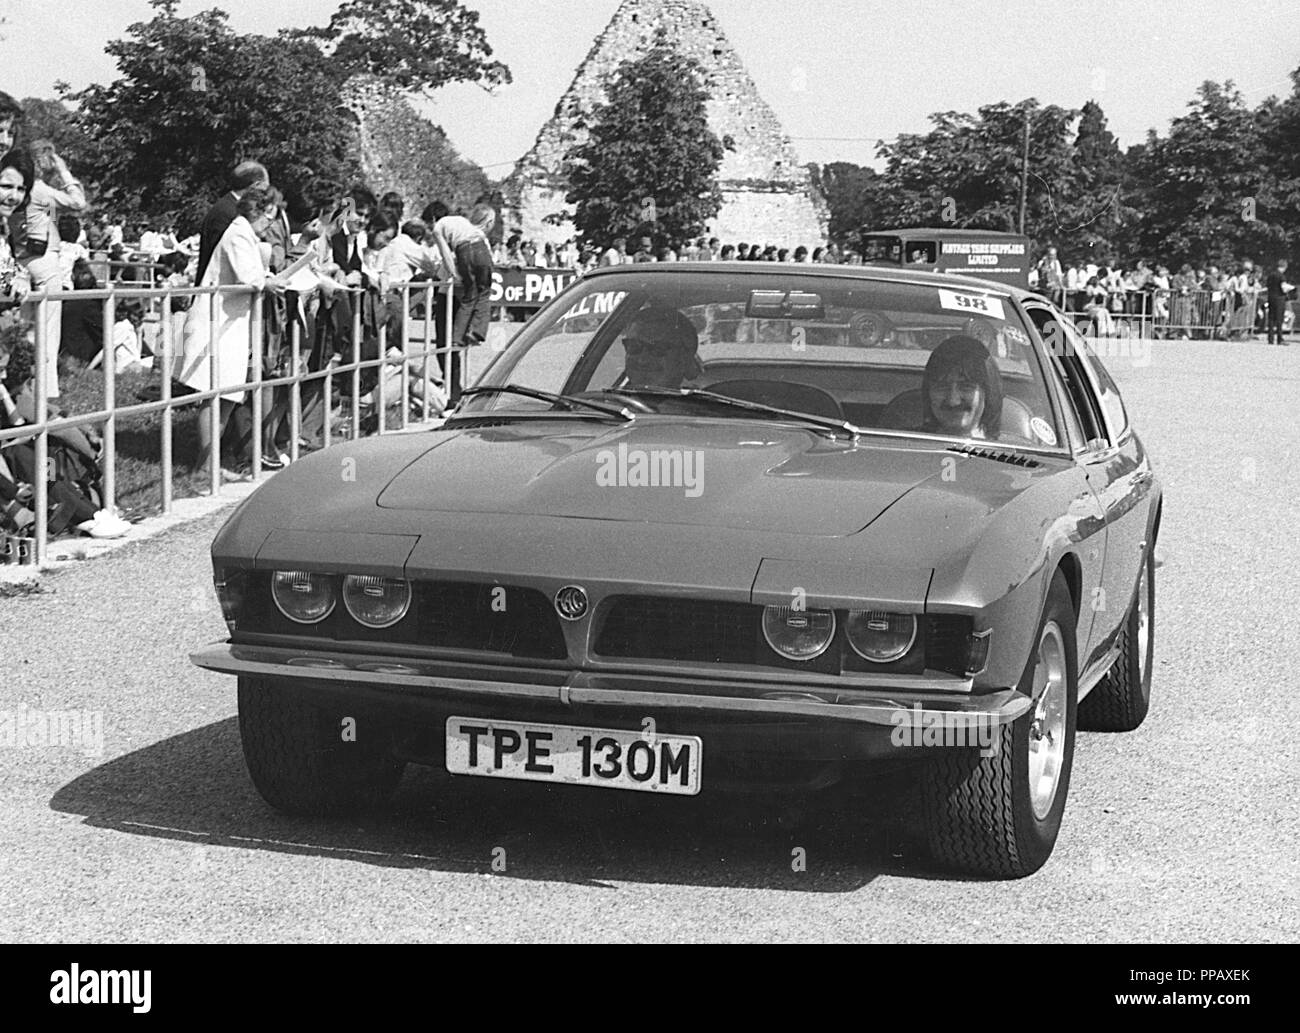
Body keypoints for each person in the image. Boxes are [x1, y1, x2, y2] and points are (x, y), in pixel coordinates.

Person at [175, 187, 286, 481]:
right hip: (218, 325)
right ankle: (204, 468)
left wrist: (267, 278)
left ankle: (209, 465)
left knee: (225, 396)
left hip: (229, 324)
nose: (270, 223)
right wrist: (268, 281)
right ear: (256, 211)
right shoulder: (238, 233)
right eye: (269, 215)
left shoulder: (245, 234)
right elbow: (247, 277)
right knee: (215, 394)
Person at [18, 140, 87, 400]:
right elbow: (79, 203)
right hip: (46, 262)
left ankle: (22, 382)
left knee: (25, 329)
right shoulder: (39, 189)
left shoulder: (17, 188)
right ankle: (45, 389)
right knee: (47, 330)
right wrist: (64, 172)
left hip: (23, 259)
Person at [428, 200, 496, 404]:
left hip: (450, 291)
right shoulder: (472, 234)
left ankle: (454, 392)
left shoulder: (446, 231)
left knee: (446, 344)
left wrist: (454, 273)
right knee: (449, 346)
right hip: (454, 291)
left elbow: (445, 259)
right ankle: (453, 390)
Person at [921, 335, 1004, 440]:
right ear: (928, 394)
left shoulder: (1013, 453)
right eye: (942, 387)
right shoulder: (904, 447)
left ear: (989, 393)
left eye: (966, 387)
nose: (953, 401)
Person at [619, 305, 702, 390]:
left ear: (684, 358)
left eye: (658, 349)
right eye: (634, 346)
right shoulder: (609, 400)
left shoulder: (698, 403)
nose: (642, 360)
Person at [1265, 259, 1293, 346]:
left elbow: (1268, 286)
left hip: (1271, 298)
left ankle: (1270, 339)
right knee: (1279, 319)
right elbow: (1284, 288)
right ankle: (1280, 339)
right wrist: (1291, 288)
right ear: (1284, 267)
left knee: (1271, 318)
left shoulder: (1270, 275)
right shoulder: (1281, 276)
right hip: (1279, 299)